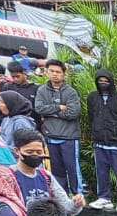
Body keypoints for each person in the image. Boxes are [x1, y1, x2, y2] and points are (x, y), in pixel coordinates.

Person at [33, 58, 82, 198]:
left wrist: (50, 113)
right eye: (52, 71)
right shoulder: (42, 90)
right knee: (56, 170)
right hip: (51, 135)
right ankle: (62, 196)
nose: (55, 74)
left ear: (64, 74)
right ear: (46, 72)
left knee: (72, 168)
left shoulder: (71, 92)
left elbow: (73, 113)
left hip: (69, 137)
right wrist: (59, 108)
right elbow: (39, 108)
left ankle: (77, 195)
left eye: (58, 72)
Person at [85, 68, 117, 212]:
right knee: (101, 172)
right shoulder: (92, 97)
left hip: (116, 142)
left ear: (111, 82)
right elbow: (91, 116)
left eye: (106, 81)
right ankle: (104, 198)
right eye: (100, 81)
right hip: (99, 142)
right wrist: (96, 132)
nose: (103, 83)